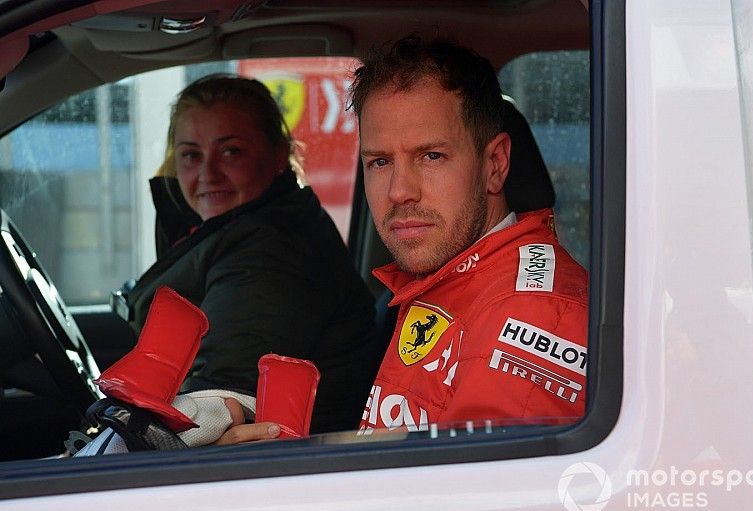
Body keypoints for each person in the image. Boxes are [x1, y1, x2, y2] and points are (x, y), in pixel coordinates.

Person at [217, 35, 588, 443]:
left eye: (431, 156)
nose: (399, 191)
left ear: (494, 165)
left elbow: (479, 500)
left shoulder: (532, 312)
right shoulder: (449, 280)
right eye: (380, 162)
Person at [119, 74, 379, 435]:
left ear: (278, 155)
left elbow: (218, 401)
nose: (207, 173)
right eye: (191, 155)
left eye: (231, 152)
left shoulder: (273, 254)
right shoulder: (241, 226)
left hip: (285, 470)